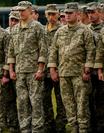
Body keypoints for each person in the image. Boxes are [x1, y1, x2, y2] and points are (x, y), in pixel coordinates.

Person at [48, 2, 95, 133]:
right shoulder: (60, 31)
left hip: (79, 74)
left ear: (78, 14)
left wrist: (87, 69)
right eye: (65, 13)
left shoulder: (85, 30)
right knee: (68, 105)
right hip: (64, 74)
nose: (67, 16)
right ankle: (74, 128)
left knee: (82, 105)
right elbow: (53, 51)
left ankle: (84, 129)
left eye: (70, 13)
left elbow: (91, 50)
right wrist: (52, 69)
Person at [7, 1, 47, 132]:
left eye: (23, 10)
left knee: (36, 103)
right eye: (19, 10)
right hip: (19, 72)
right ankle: (24, 129)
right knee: (22, 103)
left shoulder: (37, 27)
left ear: (30, 10)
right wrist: (11, 70)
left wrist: (41, 69)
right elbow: (11, 52)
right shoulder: (15, 29)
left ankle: (37, 129)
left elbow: (43, 50)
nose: (20, 12)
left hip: (33, 72)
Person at [44, 4, 67, 133]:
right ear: (46, 15)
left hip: (59, 70)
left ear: (58, 14)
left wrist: (57, 68)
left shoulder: (63, 30)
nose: (51, 17)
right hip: (44, 72)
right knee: (45, 100)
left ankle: (60, 127)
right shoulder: (42, 30)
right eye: (49, 14)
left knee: (60, 101)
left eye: (53, 14)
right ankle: (49, 126)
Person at [87, 2, 104, 132]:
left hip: (100, 71)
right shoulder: (86, 29)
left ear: (99, 12)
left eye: (93, 12)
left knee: (101, 100)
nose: (90, 15)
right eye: (89, 13)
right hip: (88, 71)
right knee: (89, 100)